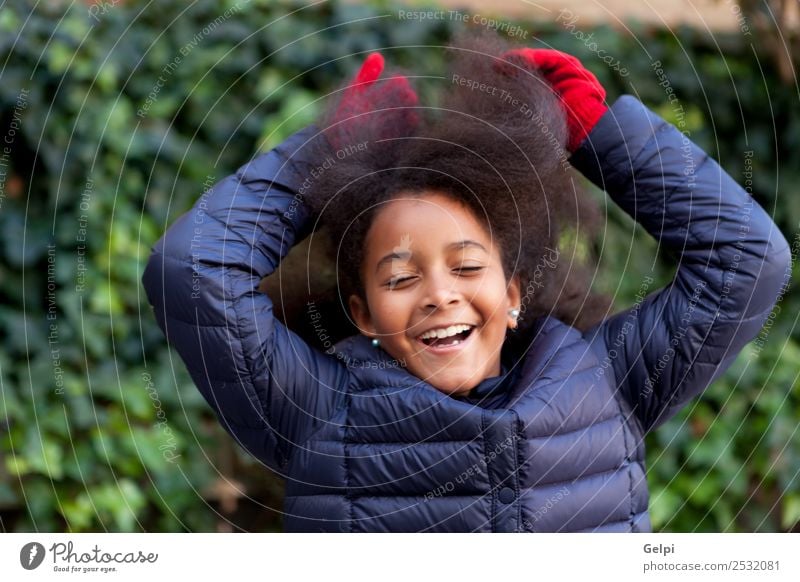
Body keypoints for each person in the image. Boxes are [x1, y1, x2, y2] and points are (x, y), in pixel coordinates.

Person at [141, 31, 791, 532]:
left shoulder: (607, 379)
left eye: (467, 266)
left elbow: (746, 260)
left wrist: (596, 133)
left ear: (513, 292)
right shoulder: (316, 411)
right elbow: (191, 273)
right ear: (363, 313)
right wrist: (325, 153)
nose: (439, 292)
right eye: (401, 276)